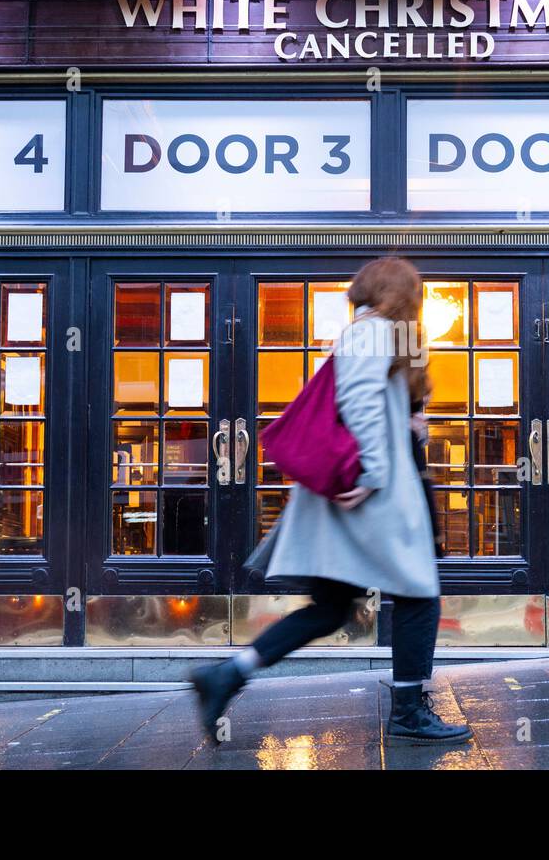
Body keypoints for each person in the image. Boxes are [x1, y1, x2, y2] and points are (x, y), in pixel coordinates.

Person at [189, 257, 471, 745]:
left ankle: (228, 674)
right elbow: (359, 403)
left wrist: (407, 424)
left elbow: (363, 403)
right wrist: (375, 469)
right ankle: (408, 710)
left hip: (349, 498)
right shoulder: (375, 332)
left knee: (330, 608)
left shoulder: (367, 334)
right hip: (368, 495)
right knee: (419, 595)